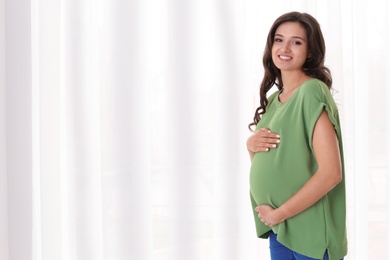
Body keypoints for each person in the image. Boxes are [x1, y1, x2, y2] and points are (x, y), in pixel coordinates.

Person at [247, 12, 347, 260]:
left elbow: (331, 173)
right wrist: (251, 145)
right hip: (280, 230)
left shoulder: (311, 91)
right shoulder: (274, 100)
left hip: (308, 232)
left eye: (297, 42)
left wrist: (278, 214)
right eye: (279, 40)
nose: (285, 48)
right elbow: (278, 162)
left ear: (311, 51)